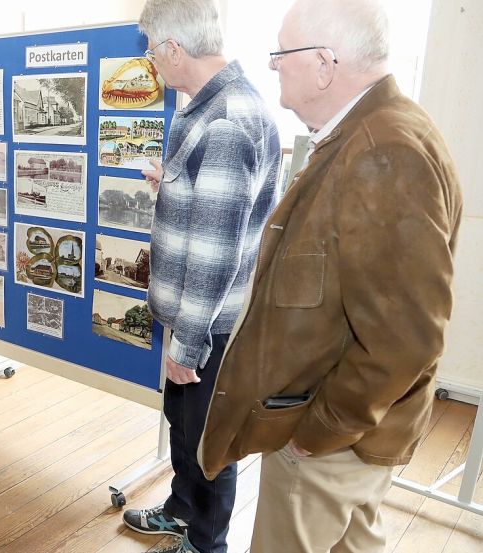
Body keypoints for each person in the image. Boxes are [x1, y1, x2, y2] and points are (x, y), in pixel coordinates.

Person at [199, 0, 463, 551]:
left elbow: (405, 340)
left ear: (324, 63)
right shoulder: (377, 131)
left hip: (329, 438)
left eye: (280, 54)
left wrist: (320, 432)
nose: (272, 66)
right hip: (353, 433)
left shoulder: (381, 152)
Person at [121, 1, 282, 552]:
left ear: (173, 49)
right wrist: (174, 184)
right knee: (186, 430)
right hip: (198, 316)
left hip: (208, 325)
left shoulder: (226, 122)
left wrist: (186, 345)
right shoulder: (211, 109)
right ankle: (182, 512)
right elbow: (218, 213)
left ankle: (205, 544)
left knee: (209, 443)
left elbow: (218, 253)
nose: (150, 61)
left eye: (150, 49)